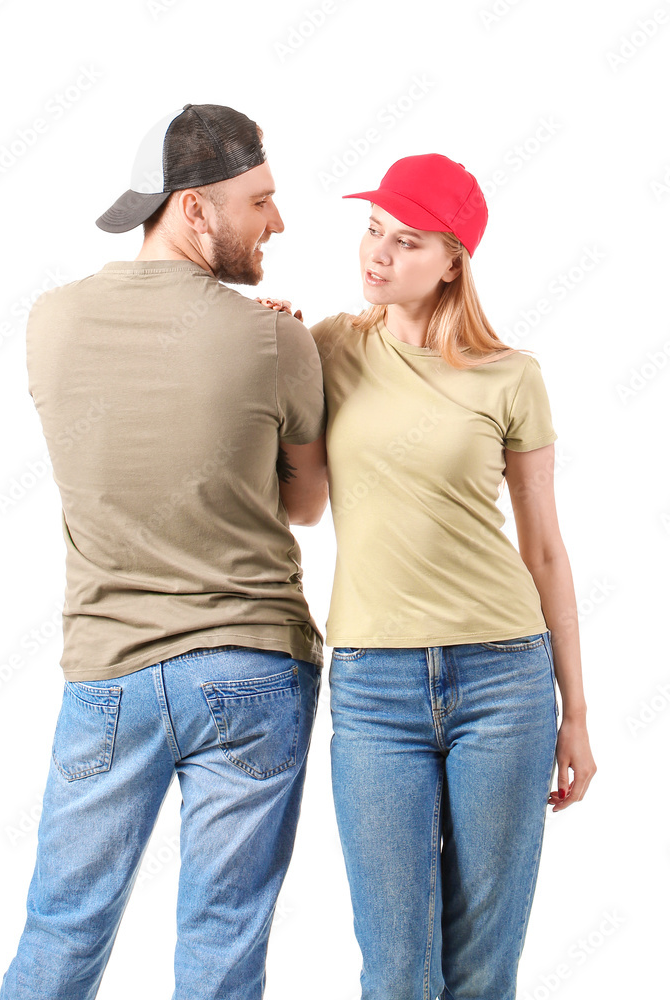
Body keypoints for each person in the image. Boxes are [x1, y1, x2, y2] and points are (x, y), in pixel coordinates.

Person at [0, 104, 328, 1000]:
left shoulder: (51, 322)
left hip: (107, 673)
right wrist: (276, 350)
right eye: (260, 200)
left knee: (62, 929)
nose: (279, 222)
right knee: (222, 944)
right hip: (251, 670)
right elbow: (304, 505)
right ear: (193, 208)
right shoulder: (276, 338)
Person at [261, 153, 597, 1000]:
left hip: (506, 679)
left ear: (454, 258)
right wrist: (265, 344)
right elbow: (299, 497)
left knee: (483, 965)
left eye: (406, 242)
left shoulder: (512, 376)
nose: (377, 254)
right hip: (376, 686)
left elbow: (546, 549)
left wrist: (578, 715)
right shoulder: (329, 346)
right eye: (373, 230)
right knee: (397, 967)